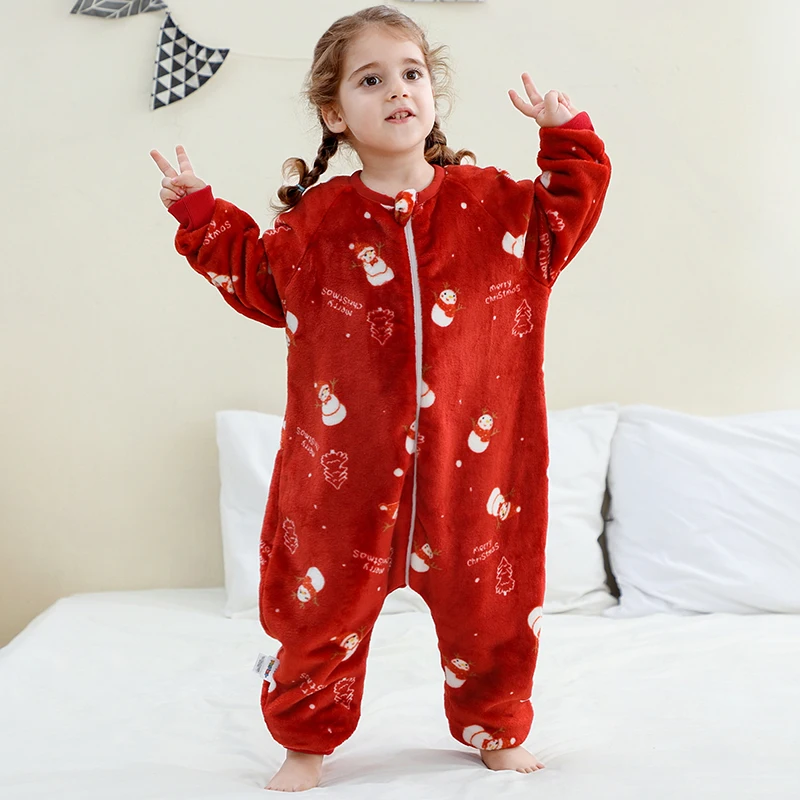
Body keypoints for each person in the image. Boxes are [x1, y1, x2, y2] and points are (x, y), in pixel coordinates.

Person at [150, 4, 610, 792]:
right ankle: (305, 742)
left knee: (490, 609)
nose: (398, 90)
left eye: (411, 73)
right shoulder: (316, 225)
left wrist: (566, 137)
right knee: (318, 612)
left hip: (476, 474)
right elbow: (258, 279)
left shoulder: (500, 209)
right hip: (344, 475)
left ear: (432, 92)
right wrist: (200, 214)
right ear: (335, 113)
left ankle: (496, 724)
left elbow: (568, 208)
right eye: (371, 80)